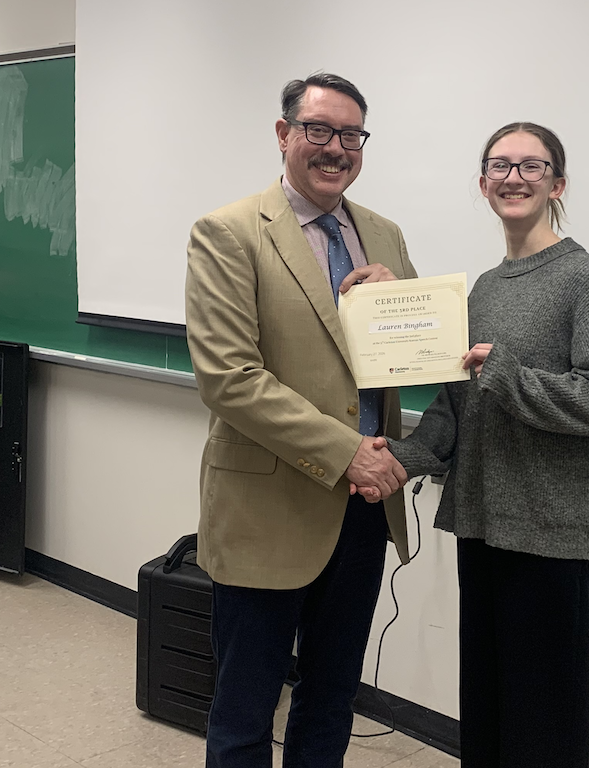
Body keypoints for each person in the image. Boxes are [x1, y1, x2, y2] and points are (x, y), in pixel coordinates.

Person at [363, 122, 589, 767]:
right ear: (482, 183)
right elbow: (458, 409)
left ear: (557, 184)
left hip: (551, 535)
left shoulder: (585, 278)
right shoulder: (485, 290)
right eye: (500, 166)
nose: (513, 178)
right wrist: (398, 461)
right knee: (491, 711)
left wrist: (509, 378)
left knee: (543, 724)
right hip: (483, 527)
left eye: (531, 166)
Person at [185, 73, 416, 768]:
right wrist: (349, 451)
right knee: (246, 706)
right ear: (285, 135)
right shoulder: (227, 233)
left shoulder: (384, 233)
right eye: (318, 130)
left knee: (331, 695)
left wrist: (403, 304)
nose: (335, 148)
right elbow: (230, 378)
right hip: (267, 505)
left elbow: (412, 355)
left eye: (351, 135)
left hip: (363, 506)